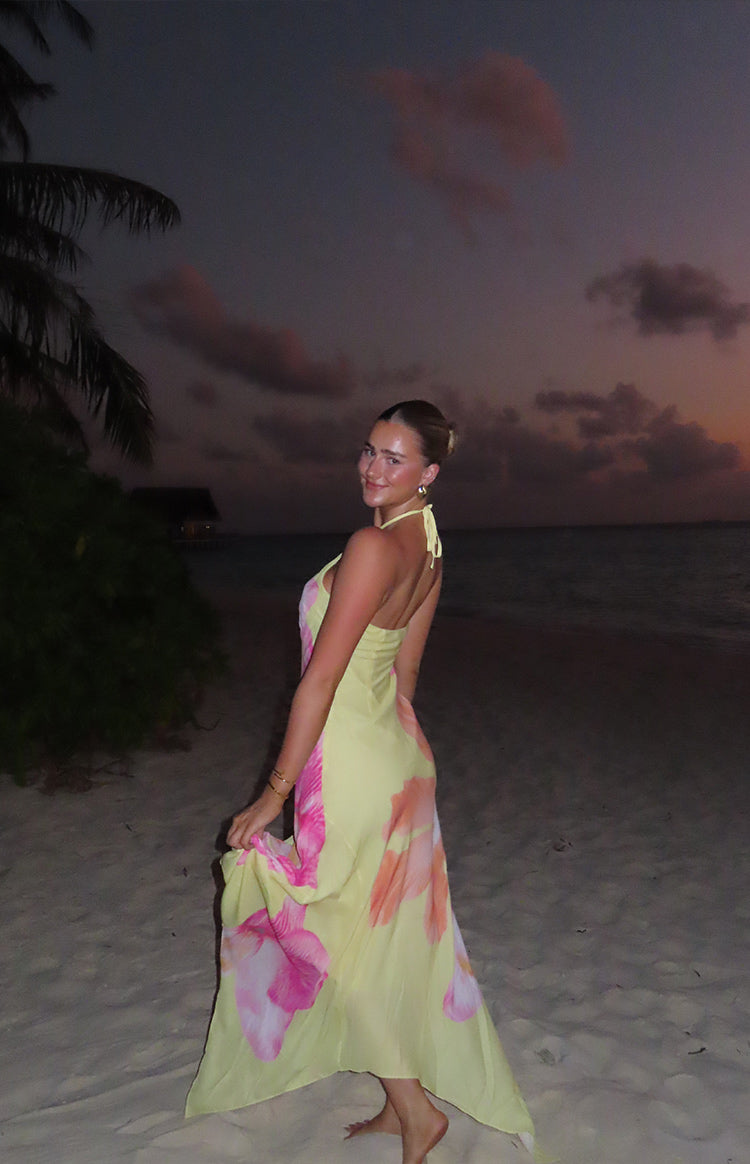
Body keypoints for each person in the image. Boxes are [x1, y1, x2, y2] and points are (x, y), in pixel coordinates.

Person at [186, 400, 534, 1163]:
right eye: (369, 451)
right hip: (397, 760)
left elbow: (318, 682)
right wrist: (398, 760)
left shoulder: (372, 547)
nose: (373, 468)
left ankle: (417, 1114)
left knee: (333, 939)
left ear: (428, 471)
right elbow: (404, 679)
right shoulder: (429, 547)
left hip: (348, 765)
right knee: (374, 936)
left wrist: (275, 792)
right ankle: (398, 1102)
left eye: (394, 458)